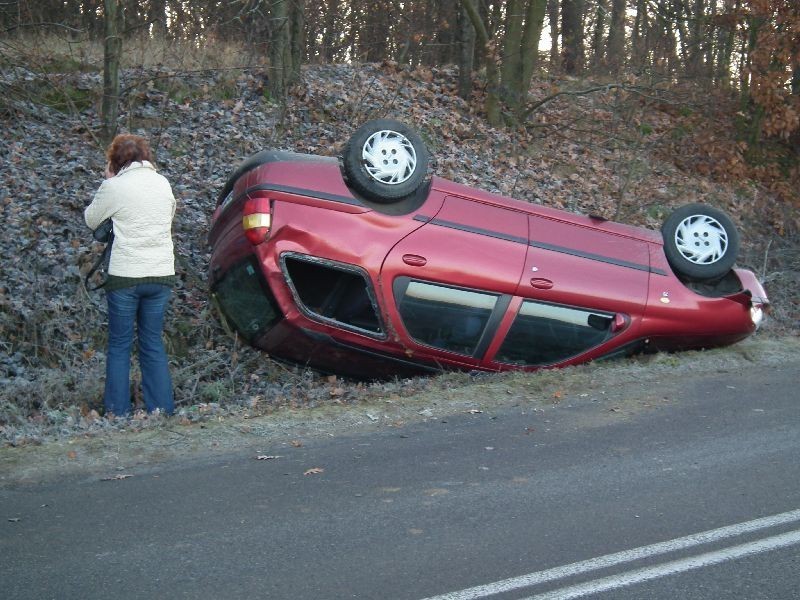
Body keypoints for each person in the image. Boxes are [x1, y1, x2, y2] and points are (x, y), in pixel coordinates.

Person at [85, 134, 176, 417]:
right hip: (161, 274)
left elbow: (91, 219)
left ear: (115, 160)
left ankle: (117, 412)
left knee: (120, 345)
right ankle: (161, 410)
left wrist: (108, 179)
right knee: (151, 342)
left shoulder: (115, 186)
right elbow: (169, 216)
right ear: (145, 157)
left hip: (126, 276)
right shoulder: (163, 184)